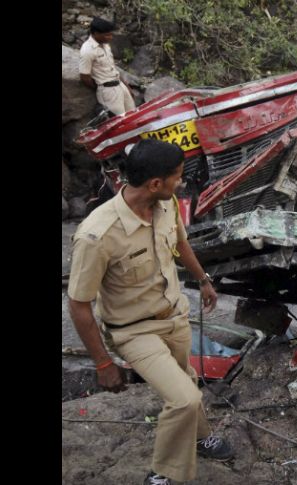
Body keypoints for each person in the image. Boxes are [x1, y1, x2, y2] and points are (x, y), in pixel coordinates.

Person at [67, 139, 234, 485]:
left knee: (185, 381)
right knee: (185, 399)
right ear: (155, 183)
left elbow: (180, 243)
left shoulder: (166, 203)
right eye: (177, 177)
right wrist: (102, 363)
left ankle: (201, 438)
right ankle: (162, 475)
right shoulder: (97, 235)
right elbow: (79, 304)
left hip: (174, 318)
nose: (182, 183)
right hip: (133, 331)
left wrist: (203, 280)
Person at [79, 17, 136, 116]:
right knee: (120, 121)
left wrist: (127, 87)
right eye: (107, 35)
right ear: (96, 33)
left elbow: (113, 68)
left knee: (134, 115)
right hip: (108, 91)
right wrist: (101, 87)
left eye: (111, 34)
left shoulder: (105, 45)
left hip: (120, 85)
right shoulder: (87, 50)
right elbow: (85, 77)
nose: (110, 38)